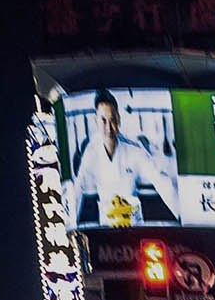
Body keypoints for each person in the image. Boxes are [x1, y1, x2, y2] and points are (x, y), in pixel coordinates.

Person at [67, 92, 174, 225]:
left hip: (134, 223)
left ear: (118, 119)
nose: (109, 128)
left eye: (112, 120)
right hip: (106, 225)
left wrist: (181, 214)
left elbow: (160, 180)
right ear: (96, 121)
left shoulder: (134, 149)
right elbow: (78, 188)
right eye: (103, 120)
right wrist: (69, 224)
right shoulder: (91, 152)